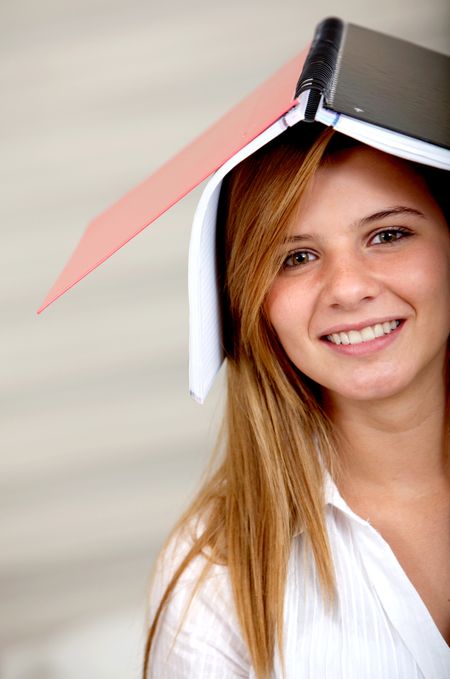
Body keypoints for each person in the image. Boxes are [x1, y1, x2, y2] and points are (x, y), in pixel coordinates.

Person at [143, 123, 450, 678]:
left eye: (388, 235)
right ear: (253, 303)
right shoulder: (214, 573)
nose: (348, 288)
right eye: (297, 257)